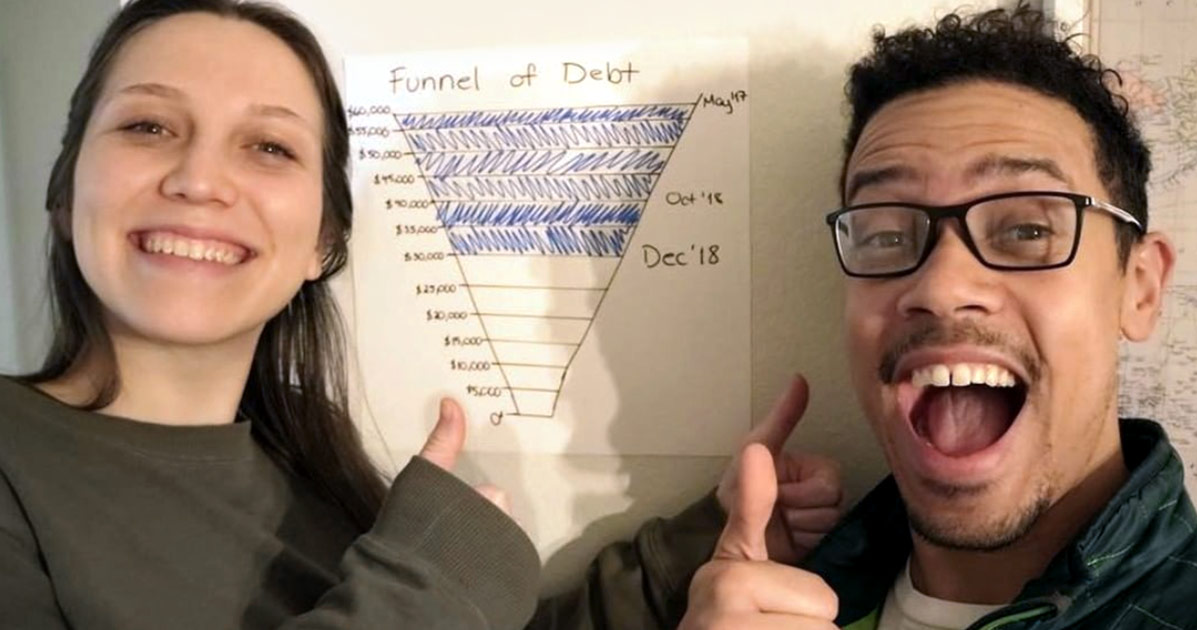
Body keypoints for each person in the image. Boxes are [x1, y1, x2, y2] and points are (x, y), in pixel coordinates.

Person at [0, 1, 842, 628]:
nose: (198, 180)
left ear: (323, 241)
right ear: (64, 195)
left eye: (268, 146)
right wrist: (424, 584)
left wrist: (697, 549)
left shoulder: (308, 459)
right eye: (148, 125)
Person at [680, 4, 1197, 630]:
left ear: (1140, 289)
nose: (941, 287)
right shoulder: (758, 592)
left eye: (1027, 230)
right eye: (886, 235)